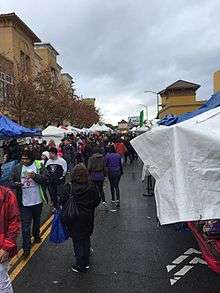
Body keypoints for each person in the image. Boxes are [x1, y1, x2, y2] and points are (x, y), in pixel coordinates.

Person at [61, 164, 100, 273]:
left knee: (77, 241)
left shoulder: (69, 187)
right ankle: (86, 262)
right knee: (86, 238)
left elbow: (62, 200)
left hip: (73, 217)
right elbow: (97, 200)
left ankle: (80, 265)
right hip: (87, 217)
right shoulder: (91, 186)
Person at [11, 149, 48, 258]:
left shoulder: (39, 165)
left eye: (26, 158)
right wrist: (16, 184)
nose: (24, 160)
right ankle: (26, 248)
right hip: (24, 203)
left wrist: (35, 176)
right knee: (25, 227)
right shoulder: (18, 168)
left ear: (31, 158)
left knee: (37, 221)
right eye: (22, 158)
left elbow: (46, 179)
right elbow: (10, 181)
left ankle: (36, 236)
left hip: (37, 201)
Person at [0, 185, 20, 293]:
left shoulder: (7, 194)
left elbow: (14, 222)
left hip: (1, 247)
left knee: (1, 282)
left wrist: (6, 247)